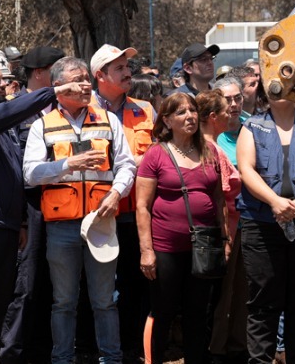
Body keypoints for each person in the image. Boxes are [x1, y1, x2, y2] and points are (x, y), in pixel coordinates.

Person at [0, 55, 80, 363]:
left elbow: (14, 176)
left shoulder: (3, 128)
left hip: (6, 229)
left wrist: (20, 223)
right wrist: (54, 92)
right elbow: (5, 113)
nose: (5, 85)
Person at [23, 56, 136, 363]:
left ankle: (111, 358)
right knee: (63, 302)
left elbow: (127, 165)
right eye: (78, 79)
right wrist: (66, 165)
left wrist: (116, 193)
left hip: (101, 222)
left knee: (105, 300)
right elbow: (30, 174)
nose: (87, 85)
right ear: (58, 86)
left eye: (88, 79)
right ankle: (62, 359)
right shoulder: (41, 126)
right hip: (62, 227)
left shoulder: (108, 120)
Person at [235, 87, 295, 363]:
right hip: (263, 223)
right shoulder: (252, 126)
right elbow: (246, 169)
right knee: (263, 302)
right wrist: (275, 202)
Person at [136, 92, 229, 364]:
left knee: (198, 312)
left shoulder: (210, 150)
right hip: (165, 249)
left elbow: (219, 198)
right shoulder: (156, 153)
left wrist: (225, 239)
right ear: (166, 120)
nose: (189, 116)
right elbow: (142, 206)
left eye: (191, 110)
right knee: (163, 310)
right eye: (180, 112)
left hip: (203, 246)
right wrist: (146, 251)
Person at [91, 44, 157, 358]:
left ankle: (133, 349)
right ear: (99, 75)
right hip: (98, 214)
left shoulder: (145, 109)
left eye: (127, 66)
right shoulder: (84, 109)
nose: (127, 72)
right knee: (97, 290)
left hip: (137, 216)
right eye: (118, 68)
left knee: (135, 286)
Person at [1, 45, 65, 364]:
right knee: (24, 281)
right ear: (40, 72)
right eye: (57, 67)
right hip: (28, 204)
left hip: (62, 203)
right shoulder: (15, 109)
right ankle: (12, 352)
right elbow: (12, 163)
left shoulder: (63, 109)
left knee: (51, 281)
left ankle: (43, 349)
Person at [196, 90, 246, 362]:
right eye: (226, 111)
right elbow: (221, 198)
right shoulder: (212, 149)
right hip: (224, 230)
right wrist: (226, 239)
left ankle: (230, 344)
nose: (231, 114)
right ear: (213, 117)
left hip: (234, 228)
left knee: (234, 292)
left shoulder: (211, 146)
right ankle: (217, 348)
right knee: (221, 295)